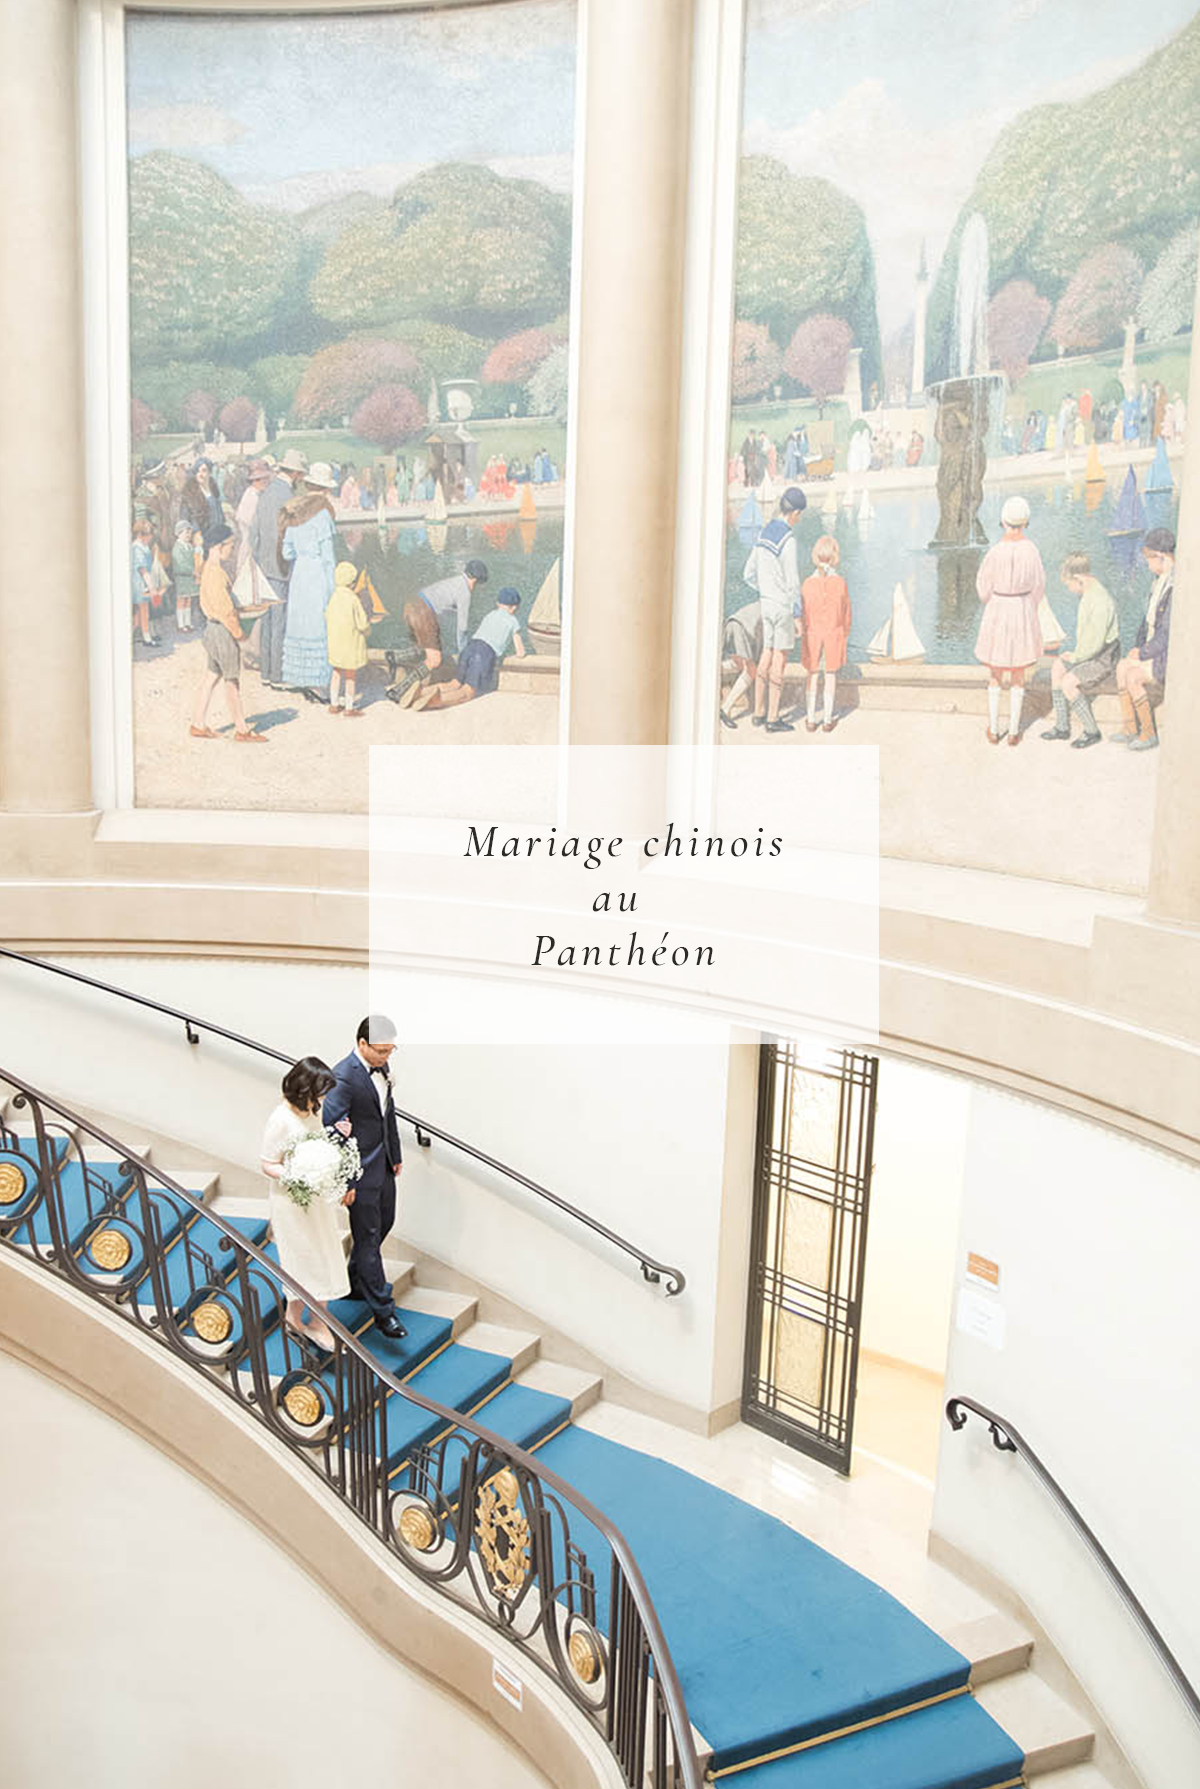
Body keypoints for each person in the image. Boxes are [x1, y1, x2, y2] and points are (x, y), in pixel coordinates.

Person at [260, 1056, 352, 1353]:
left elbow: (316, 1143)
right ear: (305, 1087)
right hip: (291, 1200)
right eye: (321, 1091)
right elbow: (268, 1163)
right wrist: (298, 1176)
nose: (324, 1098)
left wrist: (336, 1139)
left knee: (324, 1255)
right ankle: (297, 1317)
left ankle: (316, 1319)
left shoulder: (311, 1110)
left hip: (315, 1199)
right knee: (303, 1260)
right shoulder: (280, 1119)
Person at [324, 1016, 406, 1339]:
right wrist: (346, 1182)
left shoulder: (383, 1070)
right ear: (362, 1045)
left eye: (390, 1051)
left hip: (383, 1164)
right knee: (369, 1238)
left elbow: (389, 1112)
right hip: (359, 1172)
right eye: (381, 1051)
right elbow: (334, 1131)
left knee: (386, 1222)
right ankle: (384, 1313)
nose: (386, 1058)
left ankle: (355, 1280)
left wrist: (395, 1154)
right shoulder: (343, 1077)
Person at [974, 495, 1045, 746]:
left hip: (998, 609)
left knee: (995, 673)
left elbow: (983, 588)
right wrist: (1028, 605)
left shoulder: (995, 552)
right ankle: (1014, 731)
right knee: (1018, 674)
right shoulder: (1032, 550)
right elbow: (1039, 586)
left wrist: (992, 599)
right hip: (1022, 608)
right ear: (1025, 522)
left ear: (1003, 522)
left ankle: (994, 729)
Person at [189, 522, 266, 743]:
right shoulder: (215, 574)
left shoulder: (208, 569)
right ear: (218, 546)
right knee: (232, 681)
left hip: (211, 630)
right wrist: (240, 634)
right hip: (222, 632)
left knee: (212, 675)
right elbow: (225, 611)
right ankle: (242, 730)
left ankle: (197, 723)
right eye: (230, 546)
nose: (232, 550)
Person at [744, 485, 806, 734]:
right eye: (799, 515)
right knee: (779, 658)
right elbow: (793, 582)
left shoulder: (763, 534)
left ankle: (758, 712)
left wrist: (765, 588)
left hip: (766, 603)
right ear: (795, 513)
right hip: (781, 607)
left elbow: (748, 573)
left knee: (765, 655)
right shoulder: (788, 540)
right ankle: (772, 718)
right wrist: (798, 614)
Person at [1041, 553, 1119, 750]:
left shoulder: (1100, 600)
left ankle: (1092, 731)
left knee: (1068, 683)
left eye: (1069, 585)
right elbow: (1088, 640)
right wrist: (1074, 655)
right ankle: (1062, 726)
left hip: (1103, 658)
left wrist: (1075, 657)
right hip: (1090, 653)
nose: (1070, 590)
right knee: (1058, 667)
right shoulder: (1088, 593)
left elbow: (1096, 642)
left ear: (1078, 579)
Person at [387, 558, 490, 707]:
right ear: (475, 580)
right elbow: (462, 628)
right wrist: (463, 652)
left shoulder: (454, 580)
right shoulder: (465, 592)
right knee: (435, 659)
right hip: (423, 613)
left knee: (425, 649)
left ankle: (394, 657)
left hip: (412, 604)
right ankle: (399, 690)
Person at [413, 586, 525, 710]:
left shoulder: (490, 615)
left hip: (470, 647)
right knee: (468, 692)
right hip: (484, 653)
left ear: (497, 603)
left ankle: (421, 692)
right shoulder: (513, 621)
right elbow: (520, 652)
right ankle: (436, 701)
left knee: (454, 684)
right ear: (515, 607)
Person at [279, 461, 337, 701]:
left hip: (300, 575)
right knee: (320, 625)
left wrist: (301, 555)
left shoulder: (295, 511)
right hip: (317, 575)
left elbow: (286, 553)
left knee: (301, 625)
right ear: (325, 490)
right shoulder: (322, 515)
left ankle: (303, 680)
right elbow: (328, 558)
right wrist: (334, 589)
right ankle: (319, 685)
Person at [1113, 527, 1174, 751]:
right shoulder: (1158, 582)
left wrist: (1142, 653)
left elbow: (1167, 635)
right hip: (1151, 651)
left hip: (1165, 657)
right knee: (1121, 667)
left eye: (1149, 558)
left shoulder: (1174, 587)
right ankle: (1130, 728)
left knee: (1132, 675)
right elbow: (1146, 624)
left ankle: (1148, 732)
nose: (1147, 564)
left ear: (1161, 556)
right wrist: (1138, 648)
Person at [250, 448, 307, 688]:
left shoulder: (266, 492)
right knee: (280, 621)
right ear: (294, 473)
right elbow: (292, 534)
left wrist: (258, 561)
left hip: (264, 564)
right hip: (283, 565)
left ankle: (265, 672)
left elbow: (254, 531)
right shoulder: (288, 495)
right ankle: (278, 675)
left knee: (267, 620)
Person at [799, 535, 851, 733]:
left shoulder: (807, 584)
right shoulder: (840, 583)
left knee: (812, 674)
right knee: (830, 675)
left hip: (812, 635)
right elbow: (846, 614)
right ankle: (828, 720)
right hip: (833, 634)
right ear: (834, 556)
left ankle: (811, 719)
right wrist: (844, 632)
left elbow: (803, 615)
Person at [326, 560, 373, 718]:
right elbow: (361, 623)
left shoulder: (333, 597)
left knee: (336, 672)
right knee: (350, 676)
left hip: (335, 643)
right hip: (350, 644)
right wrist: (367, 630)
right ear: (351, 582)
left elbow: (327, 616)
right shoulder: (353, 599)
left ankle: (333, 704)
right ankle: (349, 707)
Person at [718, 598, 763, 729]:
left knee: (738, 664)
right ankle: (725, 709)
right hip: (742, 628)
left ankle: (710, 669)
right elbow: (760, 638)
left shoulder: (767, 600)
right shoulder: (779, 611)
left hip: (733, 623)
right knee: (751, 670)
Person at [131, 518, 158, 647]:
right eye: (148, 535)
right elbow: (143, 570)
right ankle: (146, 637)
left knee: (140, 612)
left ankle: (142, 635)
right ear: (140, 535)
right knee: (143, 611)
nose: (150, 538)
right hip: (139, 583)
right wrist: (151, 587)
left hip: (144, 582)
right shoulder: (137, 548)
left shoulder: (144, 546)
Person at [171, 520, 200, 634]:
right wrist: (192, 571)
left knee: (188, 600)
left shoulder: (189, 546)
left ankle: (188, 622)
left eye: (189, 533)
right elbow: (180, 564)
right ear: (179, 533)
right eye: (185, 533)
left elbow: (194, 559)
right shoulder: (177, 548)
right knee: (181, 600)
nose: (188, 535)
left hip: (190, 578)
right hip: (182, 578)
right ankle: (181, 624)